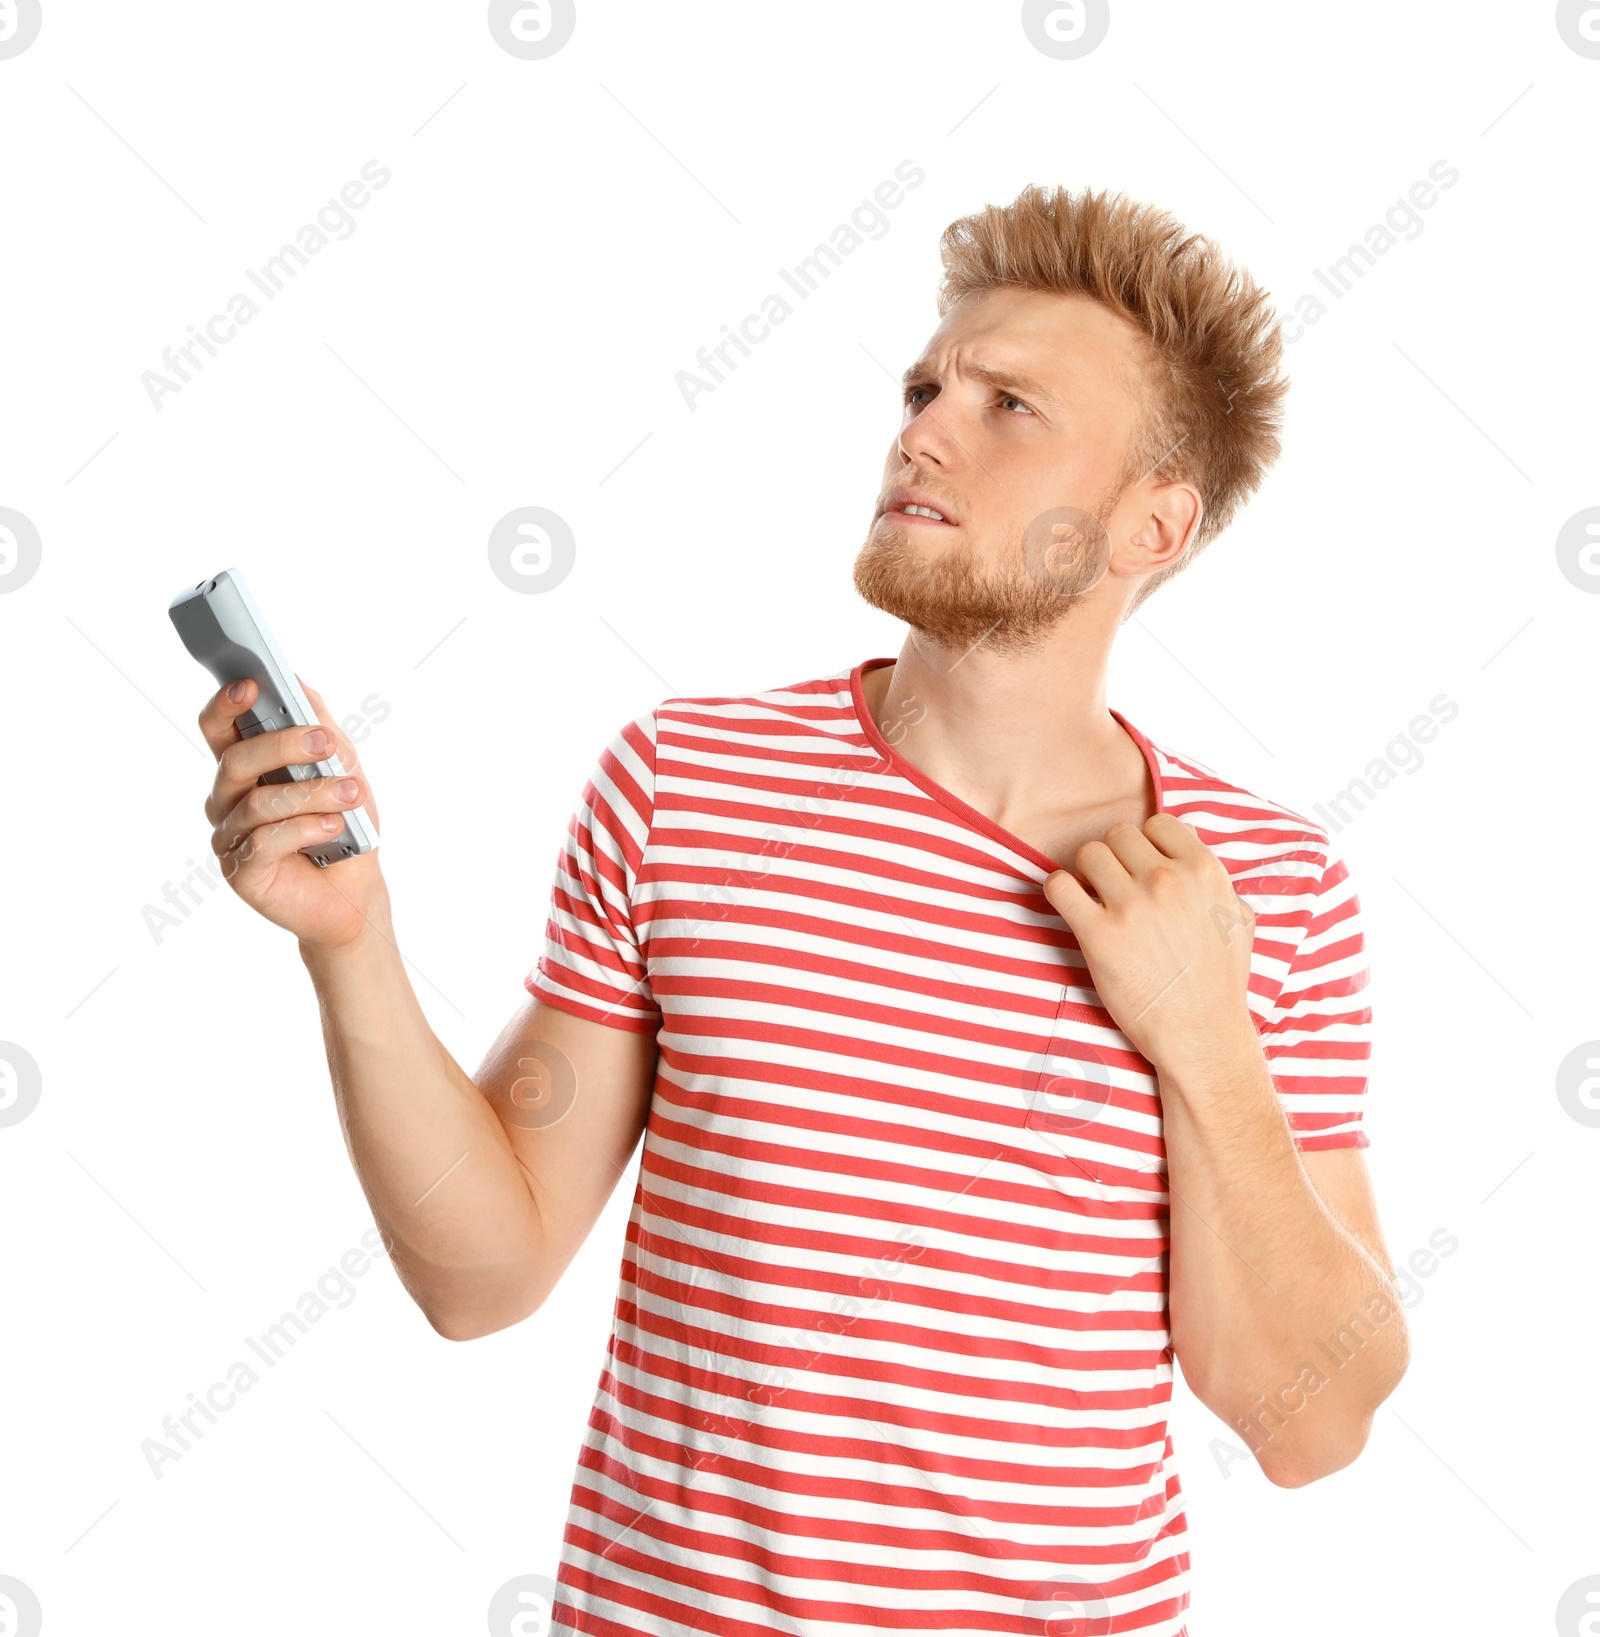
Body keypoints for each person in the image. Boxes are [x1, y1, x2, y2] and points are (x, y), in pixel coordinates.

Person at [194, 184, 1409, 1637]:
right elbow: (485, 1270)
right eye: (925, 385)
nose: (923, 427)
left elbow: (1308, 1420)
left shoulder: (1270, 883)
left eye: (1009, 404)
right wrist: (353, 945)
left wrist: (1205, 1038)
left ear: (1153, 523)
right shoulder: (682, 785)